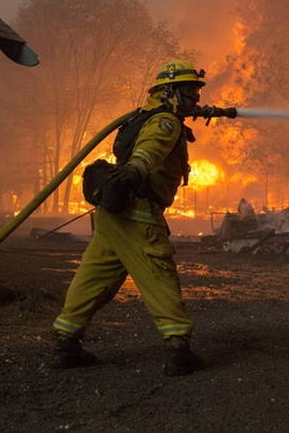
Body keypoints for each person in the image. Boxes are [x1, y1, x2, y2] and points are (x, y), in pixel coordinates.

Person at [52, 60, 207, 376]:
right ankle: (179, 349)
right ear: (169, 91)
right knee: (158, 273)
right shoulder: (165, 122)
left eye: (196, 91)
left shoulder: (143, 117)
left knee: (95, 276)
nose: (195, 99)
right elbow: (150, 150)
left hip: (114, 216)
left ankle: (65, 343)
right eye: (189, 90)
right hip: (138, 213)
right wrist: (135, 170)